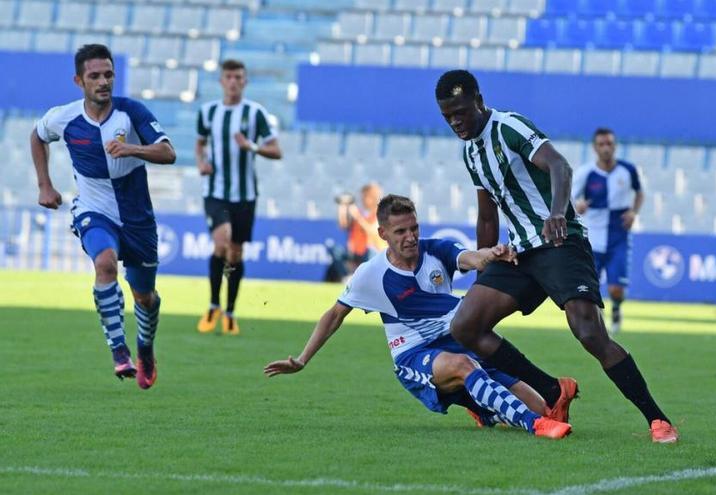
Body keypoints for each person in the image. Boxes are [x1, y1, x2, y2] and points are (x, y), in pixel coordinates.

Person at [435, 70, 678, 443]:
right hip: (520, 254)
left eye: (462, 112)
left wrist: (556, 214)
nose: (456, 122)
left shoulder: (509, 126)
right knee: (466, 325)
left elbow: (559, 166)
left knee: (588, 332)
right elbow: (487, 214)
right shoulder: (470, 153)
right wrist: (485, 259)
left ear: (479, 101)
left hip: (558, 240)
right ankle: (552, 391)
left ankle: (657, 419)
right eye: (448, 116)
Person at [264, 195, 572, 439]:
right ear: (382, 233)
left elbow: (468, 257)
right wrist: (302, 360)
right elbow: (334, 316)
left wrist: (490, 254)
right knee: (469, 369)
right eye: (400, 231)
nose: (410, 237)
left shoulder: (436, 250)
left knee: (541, 405)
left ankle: (485, 409)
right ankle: (535, 426)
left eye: (414, 228)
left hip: (458, 341)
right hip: (414, 355)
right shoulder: (371, 275)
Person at [29, 44, 176, 389]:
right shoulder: (63, 117)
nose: (103, 81)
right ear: (79, 80)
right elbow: (37, 137)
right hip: (94, 210)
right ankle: (119, 352)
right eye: (94, 76)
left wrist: (133, 148)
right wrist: (45, 186)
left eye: (108, 74)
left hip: (137, 218)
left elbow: (168, 152)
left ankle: (145, 349)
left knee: (145, 297)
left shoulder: (131, 113)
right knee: (105, 264)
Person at [195, 59, 283, 336]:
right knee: (221, 243)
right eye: (228, 77)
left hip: (245, 195)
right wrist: (201, 163)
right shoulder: (208, 112)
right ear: (221, 81)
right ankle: (212, 305)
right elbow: (199, 142)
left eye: (238, 77)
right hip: (216, 192)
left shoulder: (255, 113)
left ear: (245, 81)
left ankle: (230, 311)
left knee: (235, 252)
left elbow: (276, 151)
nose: (233, 81)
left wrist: (251, 146)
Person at [571, 128, 644, 334]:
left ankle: (617, 307)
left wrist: (633, 212)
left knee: (616, 289)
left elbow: (640, 193)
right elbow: (568, 200)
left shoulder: (627, 170)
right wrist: (579, 206)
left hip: (618, 236)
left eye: (609, 144)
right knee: (591, 286)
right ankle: (598, 321)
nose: (606, 148)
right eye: (601, 144)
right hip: (592, 237)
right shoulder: (585, 173)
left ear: (615, 146)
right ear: (595, 147)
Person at [336, 182, 386, 273]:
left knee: (371, 251)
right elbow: (343, 225)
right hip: (355, 252)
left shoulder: (379, 214)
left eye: (365, 197)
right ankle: (348, 276)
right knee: (334, 250)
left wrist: (358, 217)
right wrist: (342, 208)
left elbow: (372, 231)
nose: (362, 199)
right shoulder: (361, 213)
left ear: (373, 198)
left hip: (371, 252)